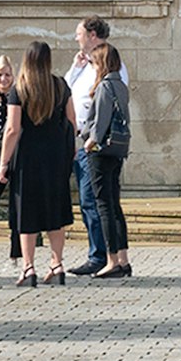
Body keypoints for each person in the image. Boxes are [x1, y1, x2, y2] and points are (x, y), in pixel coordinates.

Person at [0, 39, 80, 286]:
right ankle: (57, 263)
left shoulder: (19, 89)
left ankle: (28, 267)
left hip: (28, 158)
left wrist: (3, 163)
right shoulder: (60, 85)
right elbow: (72, 120)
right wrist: (70, 149)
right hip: (55, 157)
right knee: (55, 210)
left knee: (27, 213)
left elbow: (12, 129)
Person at [68, 17, 132, 276]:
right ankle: (113, 258)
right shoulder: (87, 66)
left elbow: (104, 114)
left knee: (98, 203)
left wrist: (89, 141)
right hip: (93, 143)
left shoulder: (107, 77)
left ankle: (105, 257)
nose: (76, 38)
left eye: (79, 33)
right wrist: (75, 68)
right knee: (100, 203)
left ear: (92, 34)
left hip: (95, 146)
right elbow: (67, 89)